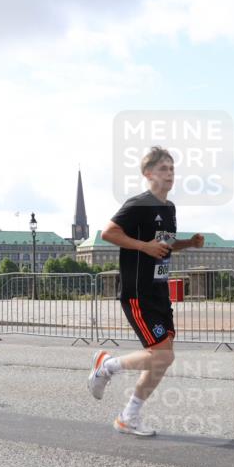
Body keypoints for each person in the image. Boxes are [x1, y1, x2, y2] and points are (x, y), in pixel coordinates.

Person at [86, 146, 204, 437]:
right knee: (162, 356)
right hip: (138, 292)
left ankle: (129, 416)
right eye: (164, 169)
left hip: (159, 291)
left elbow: (163, 243)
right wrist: (143, 246)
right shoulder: (138, 204)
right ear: (148, 173)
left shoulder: (169, 208)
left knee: (163, 359)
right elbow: (108, 232)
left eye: (172, 169)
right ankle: (107, 366)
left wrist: (188, 243)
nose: (170, 174)